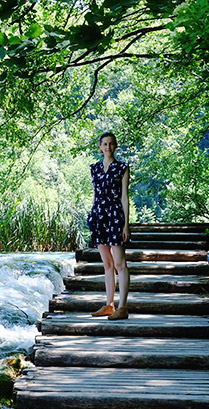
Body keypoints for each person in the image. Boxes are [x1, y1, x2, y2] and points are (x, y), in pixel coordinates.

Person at [87, 131, 130, 320]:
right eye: (104, 144)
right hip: (99, 216)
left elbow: (124, 198)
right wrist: (92, 215)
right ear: (100, 147)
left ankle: (123, 308)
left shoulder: (122, 168)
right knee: (107, 264)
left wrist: (126, 225)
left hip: (115, 217)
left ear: (115, 145)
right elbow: (95, 196)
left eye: (111, 144)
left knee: (120, 263)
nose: (108, 147)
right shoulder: (95, 169)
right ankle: (109, 305)